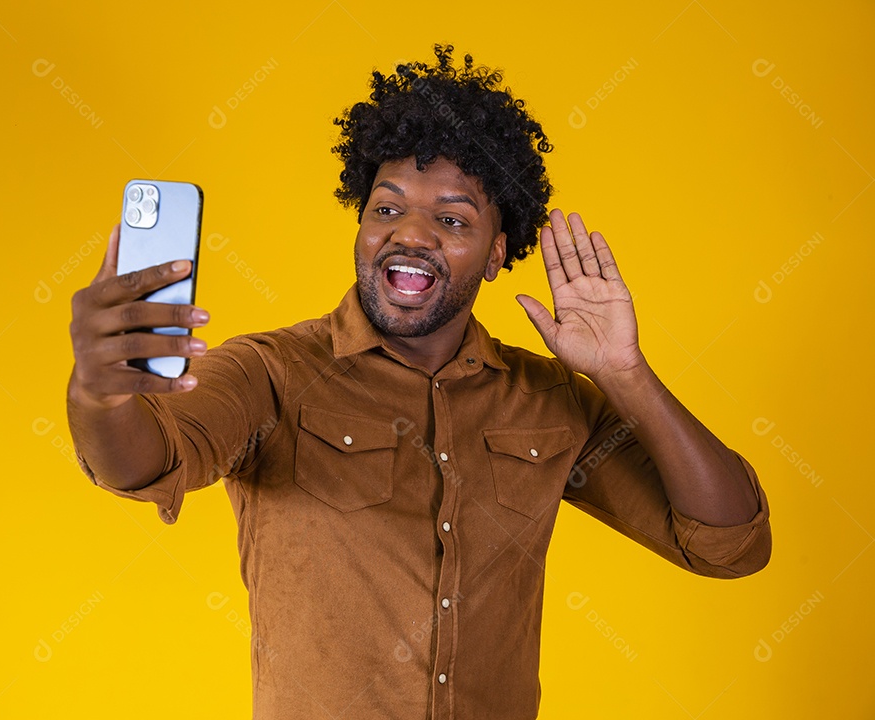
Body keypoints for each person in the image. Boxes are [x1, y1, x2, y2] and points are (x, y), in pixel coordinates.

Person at [66, 44, 771, 720]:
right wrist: (100, 392)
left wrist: (627, 375)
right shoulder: (269, 372)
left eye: (452, 218)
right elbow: (144, 462)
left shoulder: (548, 399)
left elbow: (729, 543)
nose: (411, 233)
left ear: (498, 253)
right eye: (387, 208)